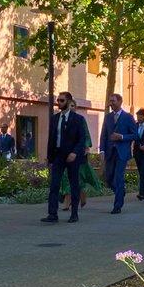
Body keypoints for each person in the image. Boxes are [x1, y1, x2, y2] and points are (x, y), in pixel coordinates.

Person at [41, 91, 86, 223]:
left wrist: (75, 152)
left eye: (61, 100)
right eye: (58, 100)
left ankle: (74, 214)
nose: (58, 103)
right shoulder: (55, 118)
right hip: (58, 156)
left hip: (72, 156)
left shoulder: (78, 119)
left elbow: (82, 139)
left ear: (69, 102)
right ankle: (52, 214)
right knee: (54, 184)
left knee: (74, 184)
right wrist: (49, 158)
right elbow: (51, 139)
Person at [60, 99, 101, 210]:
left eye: (73, 105)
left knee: (79, 176)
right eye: (69, 106)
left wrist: (86, 147)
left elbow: (85, 134)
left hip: (79, 152)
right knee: (66, 177)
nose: (71, 108)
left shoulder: (80, 120)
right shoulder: (62, 119)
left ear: (76, 107)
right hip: (66, 152)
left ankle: (82, 196)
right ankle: (67, 202)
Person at [100, 93, 137, 214]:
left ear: (120, 102)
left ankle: (117, 206)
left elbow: (135, 135)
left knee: (118, 177)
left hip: (122, 152)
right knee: (109, 178)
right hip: (110, 152)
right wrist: (102, 150)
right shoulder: (108, 117)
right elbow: (104, 134)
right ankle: (121, 191)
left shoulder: (128, 117)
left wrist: (121, 137)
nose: (111, 103)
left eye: (113, 101)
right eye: (110, 101)